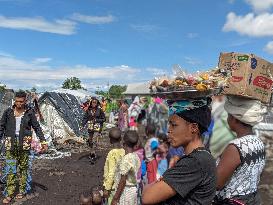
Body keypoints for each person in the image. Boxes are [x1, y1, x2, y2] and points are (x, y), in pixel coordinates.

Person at [142, 98, 216, 205]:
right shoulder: (200, 156)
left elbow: (147, 197)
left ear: (193, 128)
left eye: (174, 125)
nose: (168, 130)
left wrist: (161, 181)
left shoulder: (195, 162)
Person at [214, 96, 266, 205]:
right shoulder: (258, 141)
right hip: (253, 199)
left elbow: (217, 183)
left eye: (228, 115)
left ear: (235, 119)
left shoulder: (235, 147)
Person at [0, 91, 48, 204]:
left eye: (21, 101)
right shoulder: (8, 112)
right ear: (14, 100)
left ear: (25, 101)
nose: (18, 104)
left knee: (23, 168)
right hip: (10, 144)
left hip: (24, 144)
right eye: (17, 101)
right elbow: (1, 127)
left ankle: (21, 190)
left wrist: (43, 142)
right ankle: (10, 193)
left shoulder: (29, 113)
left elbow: (37, 128)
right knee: (11, 169)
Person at [111, 130, 141, 205]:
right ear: (136, 145)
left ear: (123, 143)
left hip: (126, 191)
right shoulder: (136, 156)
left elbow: (123, 181)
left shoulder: (126, 159)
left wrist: (115, 198)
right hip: (133, 190)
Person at [103, 128, 125, 204]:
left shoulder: (112, 154)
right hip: (122, 185)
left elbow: (111, 172)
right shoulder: (124, 151)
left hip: (113, 187)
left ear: (110, 140)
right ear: (121, 138)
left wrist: (107, 188)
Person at [81, 97, 106, 162]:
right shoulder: (88, 110)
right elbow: (85, 118)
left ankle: (93, 154)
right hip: (90, 127)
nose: (94, 103)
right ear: (91, 103)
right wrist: (82, 125)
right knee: (90, 141)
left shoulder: (99, 110)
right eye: (93, 102)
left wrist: (97, 120)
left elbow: (104, 119)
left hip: (97, 127)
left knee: (94, 140)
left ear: (97, 103)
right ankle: (92, 152)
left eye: (95, 102)